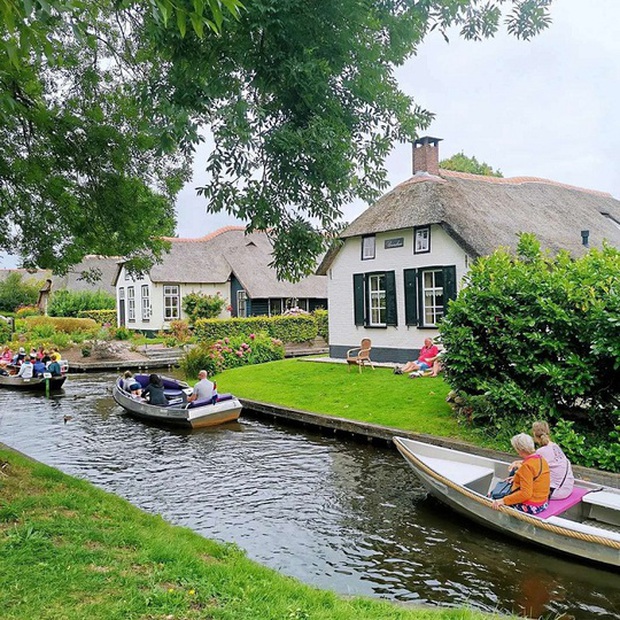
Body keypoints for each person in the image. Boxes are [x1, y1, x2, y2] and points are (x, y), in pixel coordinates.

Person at [492, 433, 550, 515]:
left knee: (494, 497)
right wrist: (516, 477)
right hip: (543, 503)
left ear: (520, 450)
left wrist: (503, 501)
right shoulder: (541, 459)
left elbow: (525, 494)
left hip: (532, 506)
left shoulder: (526, 466)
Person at [532, 421, 574, 500]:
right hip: (568, 487)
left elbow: (530, 469)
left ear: (534, 434)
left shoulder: (540, 451)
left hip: (556, 492)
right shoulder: (555, 446)